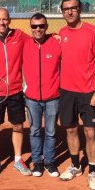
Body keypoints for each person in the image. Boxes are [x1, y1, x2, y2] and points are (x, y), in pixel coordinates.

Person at [58, 0, 95, 190]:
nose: (70, 12)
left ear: (80, 9)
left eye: (73, 8)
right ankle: (75, 166)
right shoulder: (61, 34)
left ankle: (94, 171)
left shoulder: (93, 31)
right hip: (66, 92)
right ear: (62, 12)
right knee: (70, 130)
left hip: (89, 92)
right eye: (66, 9)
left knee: (91, 132)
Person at [0, 7, 31, 178]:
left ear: (9, 20)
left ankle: (18, 159)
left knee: (18, 126)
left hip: (16, 90)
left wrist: (54, 35)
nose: (2, 23)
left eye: (5, 19)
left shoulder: (20, 36)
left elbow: (37, 40)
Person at [22, 13, 61, 177]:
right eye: (34, 26)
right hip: (31, 99)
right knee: (35, 131)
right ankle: (37, 162)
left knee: (51, 132)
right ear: (30, 28)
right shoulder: (24, 44)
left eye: (41, 26)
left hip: (53, 97)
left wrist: (56, 35)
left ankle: (50, 162)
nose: (38, 29)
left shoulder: (56, 43)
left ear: (46, 27)